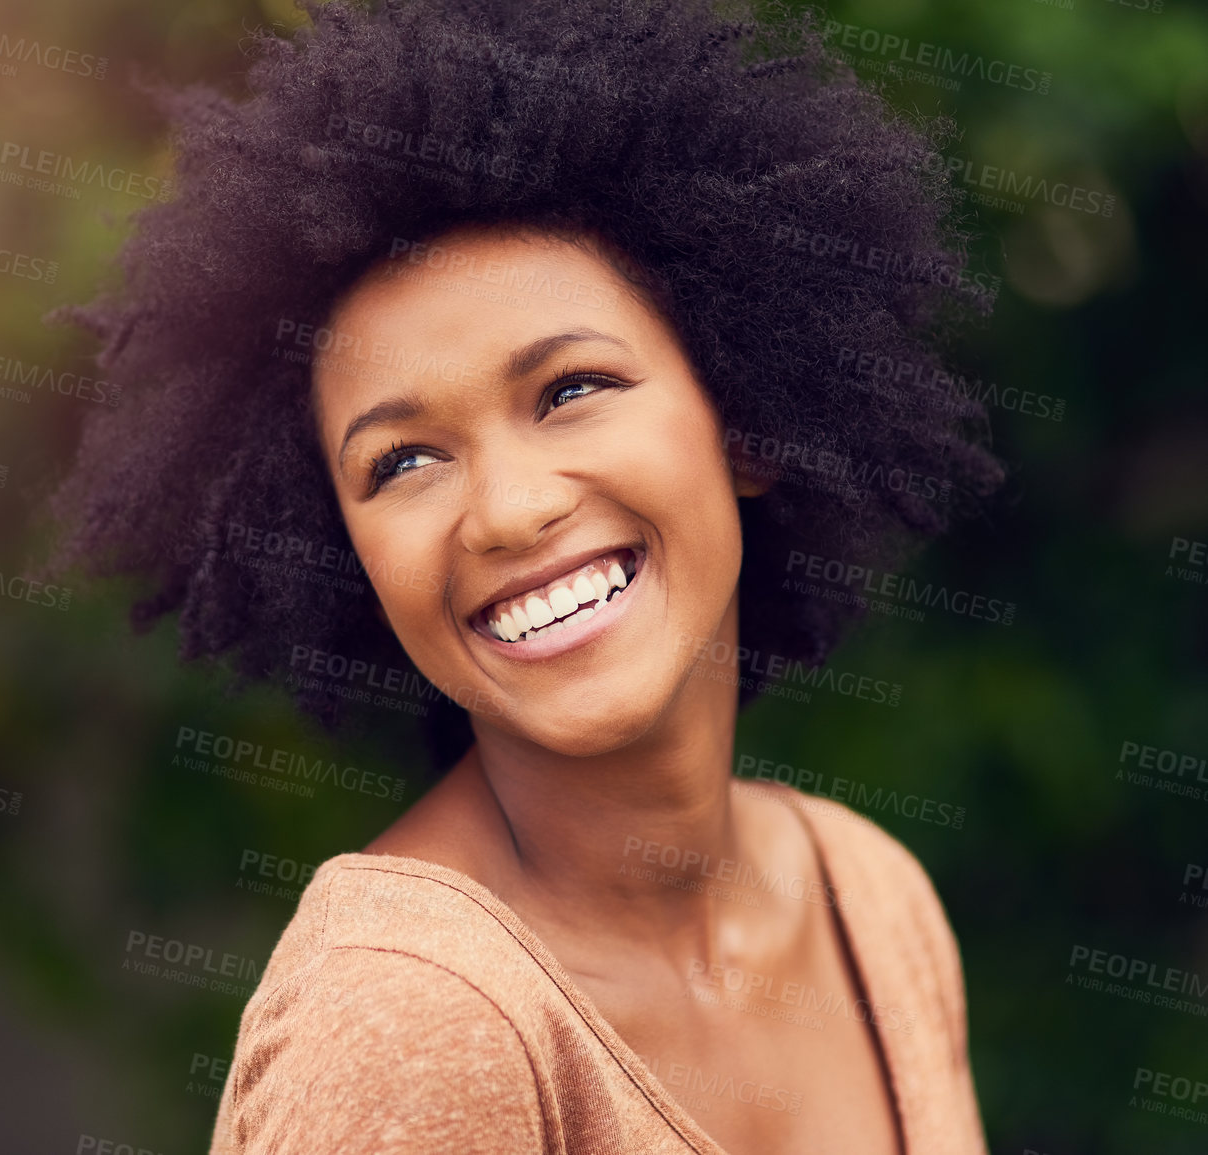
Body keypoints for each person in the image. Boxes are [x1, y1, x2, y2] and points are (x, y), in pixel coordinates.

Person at [49, 0, 1004, 1150]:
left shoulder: (873, 902)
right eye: (403, 462)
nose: (508, 511)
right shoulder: (416, 1017)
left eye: (571, 390)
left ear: (742, 418)